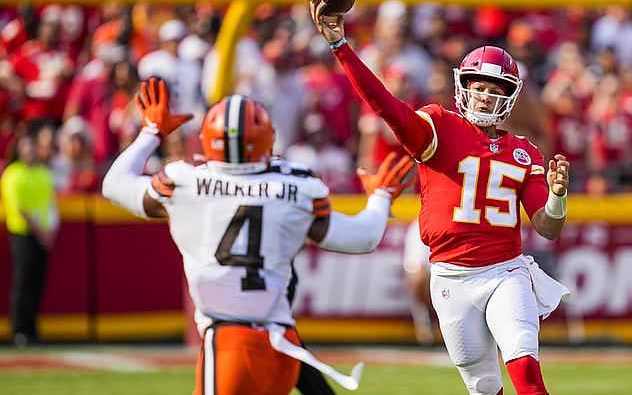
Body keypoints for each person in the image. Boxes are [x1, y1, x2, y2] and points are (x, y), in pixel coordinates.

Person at [311, 3, 572, 395]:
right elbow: (386, 106)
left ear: (510, 97)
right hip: (451, 276)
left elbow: (547, 228)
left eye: (494, 90)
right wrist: (341, 46)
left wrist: (557, 198)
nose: (484, 97)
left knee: (526, 369)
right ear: (463, 88)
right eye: (478, 87)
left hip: (506, 271)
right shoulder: (439, 126)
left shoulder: (525, 152)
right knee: (484, 386)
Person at [101, 76, 415, 395]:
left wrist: (151, 132)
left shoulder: (184, 183)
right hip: (282, 346)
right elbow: (362, 237)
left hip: (231, 340)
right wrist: (381, 197)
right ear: (268, 139)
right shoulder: (294, 188)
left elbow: (113, 184)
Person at [1, 122, 60, 348]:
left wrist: (50, 231)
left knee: (37, 283)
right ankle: (19, 330)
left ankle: (32, 329)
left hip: (43, 236)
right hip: (23, 235)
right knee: (23, 282)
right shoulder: (13, 173)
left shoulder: (42, 172)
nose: (30, 151)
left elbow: (50, 203)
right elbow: (19, 208)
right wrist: (41, 231)